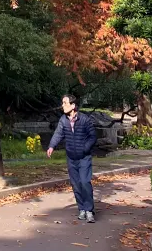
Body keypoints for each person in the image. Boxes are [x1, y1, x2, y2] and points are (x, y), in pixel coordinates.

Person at [47, 93, 97, 222]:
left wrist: (85, 149)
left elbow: (93, 137)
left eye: (65, 103)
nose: (62, 105)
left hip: (84, 158)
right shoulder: (63, 120)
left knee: (85, 182)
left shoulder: (85, 119)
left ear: (73, 105)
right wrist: (51, 146)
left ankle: (89, 210)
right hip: (71, 158)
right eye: (62, 103)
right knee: (76, 184)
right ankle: (81, 209)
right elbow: (58, 134)